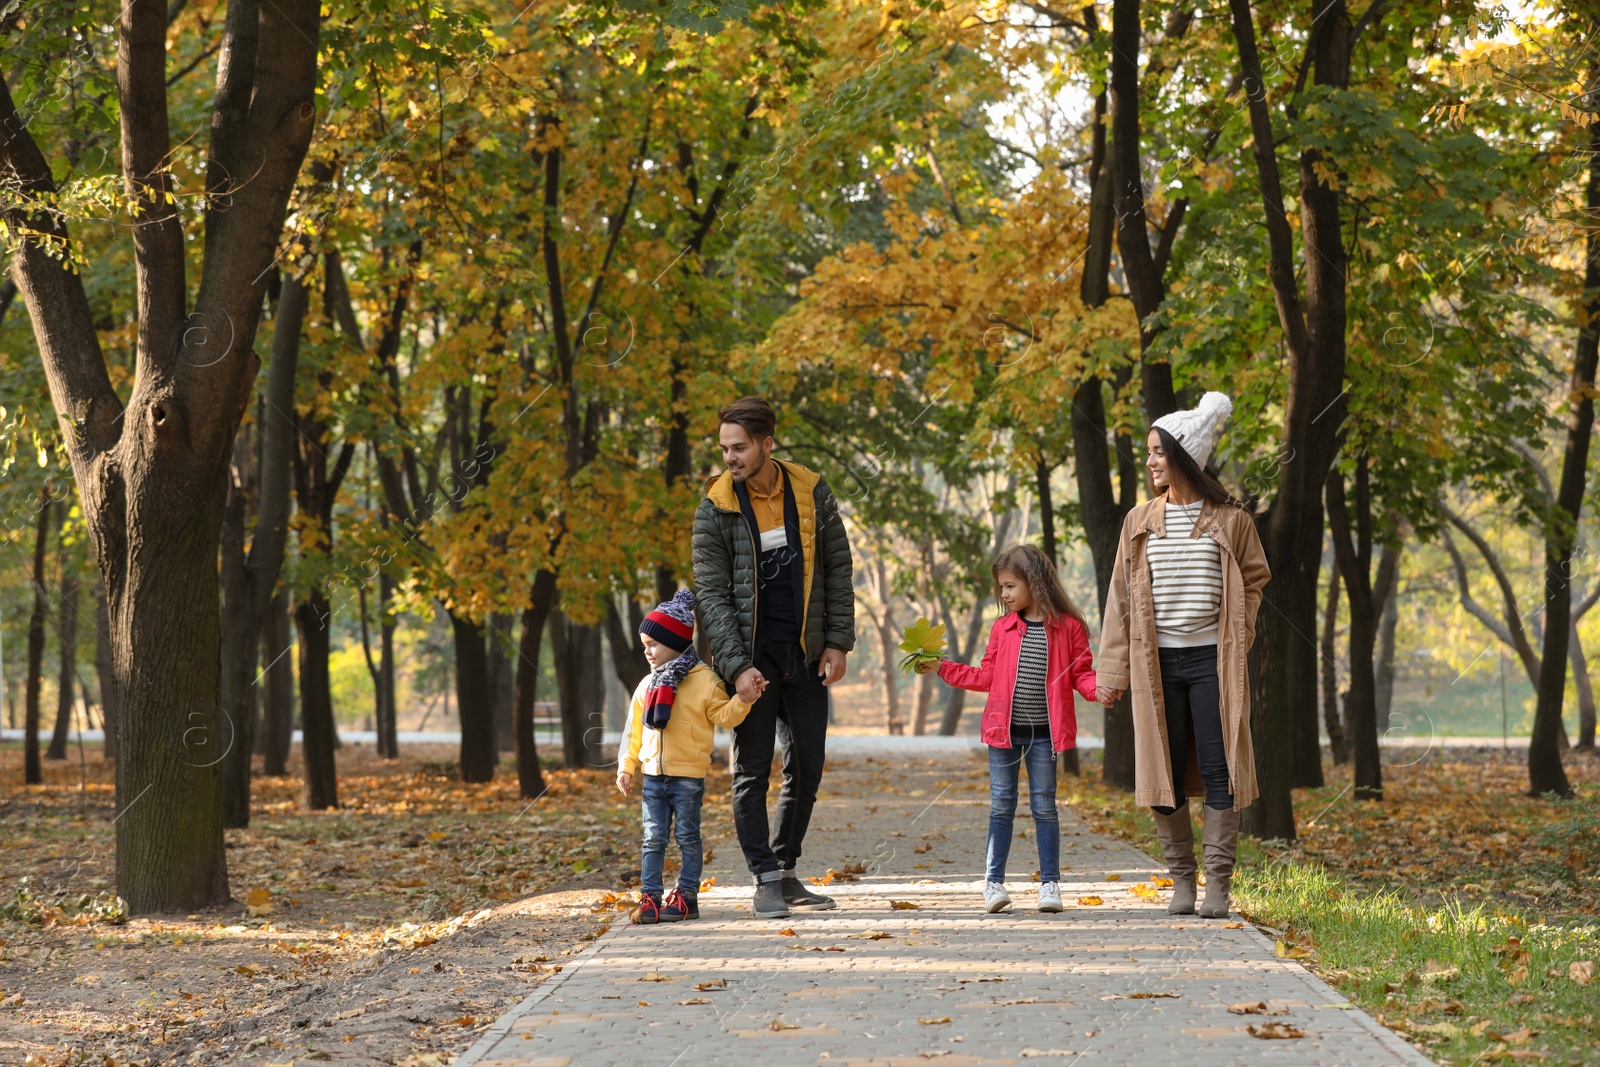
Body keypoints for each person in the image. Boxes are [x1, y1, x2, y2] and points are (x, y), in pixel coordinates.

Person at [1095, 392, 1271, 919]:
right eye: (1148, 452)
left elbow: (1256, 579)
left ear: (1184, 456)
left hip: (1213, 663)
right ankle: (1183, 882)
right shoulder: (1139, 521)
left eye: (1157, 452)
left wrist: (1239, 631)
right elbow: (1120, 600)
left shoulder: (1232, 520)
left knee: (1220, 769)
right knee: (1162, 770)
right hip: (1157, 665)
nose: (1149, 462)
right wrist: (1114, 670)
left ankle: (1218, 883)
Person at [692, 396, 856, 920]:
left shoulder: (811, 491)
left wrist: (837, 641)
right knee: (752, 770)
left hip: (805, 653)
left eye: (739, 447)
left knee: (807, 766)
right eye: (724, 448)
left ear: (767, 443)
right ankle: (763, 877)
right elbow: (712, 597)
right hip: (753, 661)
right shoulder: (714, 508)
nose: (730, 458)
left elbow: (837, 567)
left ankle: (785, 871)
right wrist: (737, 666)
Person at [918, 544, 1097, 914]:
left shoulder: (1069, 628)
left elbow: (1082, 674)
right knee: (1001, 805)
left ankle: (1050, 885)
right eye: (1001, 587)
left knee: (1045, 807)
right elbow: (985, 676)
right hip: (1003, 734)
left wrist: (1100, 690)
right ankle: (993, 884)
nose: (1004, 594)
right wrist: (942, 668)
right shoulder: (1002, 628)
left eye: (1010, 586)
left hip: (1045, 734)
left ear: (1035, 582)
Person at [616, 589, 754, 924]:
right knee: (653, 838)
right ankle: (650, 897)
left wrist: (744, 699)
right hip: (653, 777)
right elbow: (633, 730)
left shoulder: (704, 680)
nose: (647, 651)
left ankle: (687, 897)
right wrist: (626, 766)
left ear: (676, 641)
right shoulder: (647, 685)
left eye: (653, 644)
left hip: (687, 777)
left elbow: (725, 716)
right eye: (645, 644)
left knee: (688, 838)